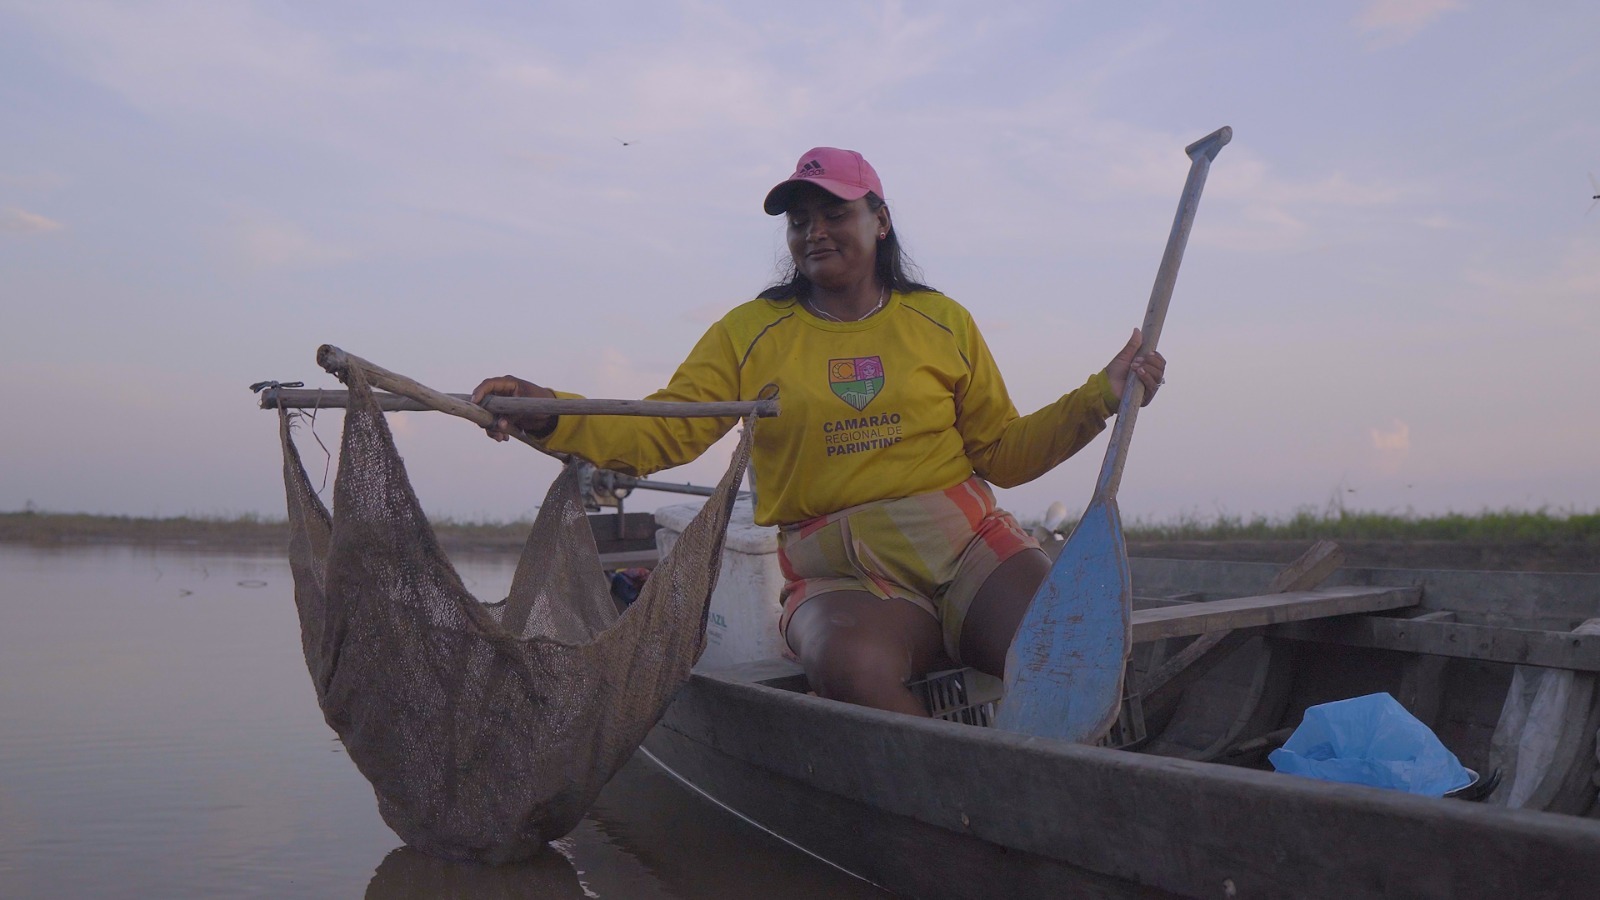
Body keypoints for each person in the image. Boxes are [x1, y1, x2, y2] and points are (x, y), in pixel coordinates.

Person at [472, 147, 1166, 717]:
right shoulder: (749, 333)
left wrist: (1100, 396)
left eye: (834, 211)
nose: (815, 231)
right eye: (799, 220)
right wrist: (552, 412)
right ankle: (953, 807)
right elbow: (662, 433)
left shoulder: (940, 320)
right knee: (852, 666)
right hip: (845, 572)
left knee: (1068, 641)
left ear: (881, 220)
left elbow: (1004, 455)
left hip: (968, 544)